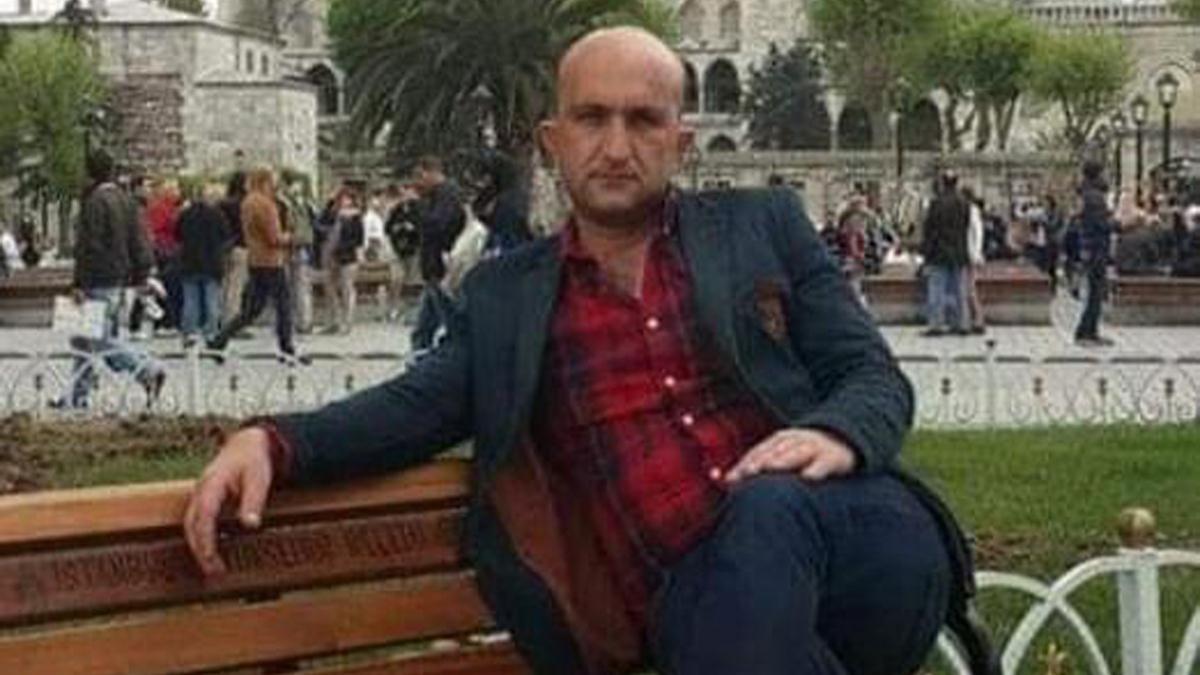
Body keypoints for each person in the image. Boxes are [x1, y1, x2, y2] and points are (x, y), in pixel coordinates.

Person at [183, 28, 985, 675]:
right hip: (698, 607)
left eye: (644, 121)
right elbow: (411, 407)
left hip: (851, 537)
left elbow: (872, 376)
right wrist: (272, 440)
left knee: (767, 506)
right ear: (553, 140)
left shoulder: (761, 226)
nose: (616, 145)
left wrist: (836, 433)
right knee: (733, 619)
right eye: (593, 118)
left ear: (681, 140)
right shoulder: (508, 299)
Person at [55, 150, 165, 409]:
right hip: (119, 279)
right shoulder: (126, 200)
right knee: (83, 340)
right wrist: (140, 275)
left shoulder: (94, 202)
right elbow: (139, 241)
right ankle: (76, 396)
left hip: (97, 279)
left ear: (89, 173)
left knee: (100, 340)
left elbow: (88, 247)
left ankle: (147, 370)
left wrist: (78, 283)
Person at [207, 168, 296, 358]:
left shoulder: (247, 202)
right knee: (283, 303)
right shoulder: (266, 204)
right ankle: (286, 345)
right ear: (265, 181)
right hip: (271, 260)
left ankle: (220, 339)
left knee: (252, 308)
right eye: (273, 181)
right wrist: (290, 237)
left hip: (255, 259)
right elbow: (274, 238)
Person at [408, 155, 466, 350]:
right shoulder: (435, 196)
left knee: (446, 319)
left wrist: (417, 206)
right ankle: (420, 352)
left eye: (420, 176)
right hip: (434, 266)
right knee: (425, 325)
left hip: (441, 265)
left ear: (432, 172)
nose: (417, 182)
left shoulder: (446, 196)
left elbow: (436, 225)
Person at [177, 183, 232, 347]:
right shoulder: (217, 215)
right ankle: (211, 333)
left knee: (190, 301)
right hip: (211, 263)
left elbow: (178, 235)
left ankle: (189, 333)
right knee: (211, 301)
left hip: (189, 262)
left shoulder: (185, 214)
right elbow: (226, 235)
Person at [920, 171, 971, 336]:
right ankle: (961, 323)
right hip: (959, 251)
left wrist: (926, 251)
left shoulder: (936, 203)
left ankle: (936, 324)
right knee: (959, 289)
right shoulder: (964, 203)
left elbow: (929, 229)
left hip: (939, 251)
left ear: (943, 183)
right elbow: (966, 227)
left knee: (937, 289)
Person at [1074, 160, 1116, 347]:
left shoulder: (1087, 194)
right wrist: (1120, 223)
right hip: (1096, 248)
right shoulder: (1095, 197)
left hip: (1090, 247)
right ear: (1097, 174)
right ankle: (1086, 332)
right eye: (1104, 172)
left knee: (1095, 291)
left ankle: (1089, 331)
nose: (1106, 175)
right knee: (1096, 292)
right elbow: (1101, 224)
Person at [315, 187, 366, 335]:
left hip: (347, 256)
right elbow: (318, 224)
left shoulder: (356, 217)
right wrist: (329, 203)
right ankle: (334, 321)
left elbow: (358, 239)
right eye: (341, 198)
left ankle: (347, 322)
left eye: (347, 198)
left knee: (346, 288)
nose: (344, 201)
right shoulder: (332, 214)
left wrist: (346, 248)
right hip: (330, 256)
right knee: (329, 289)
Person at [220, 171, 250, 330]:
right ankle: (232, 320)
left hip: (225, 247)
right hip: (242, 246)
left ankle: (222, 316)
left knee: (225, 285)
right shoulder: (244, 204)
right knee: (236, 287)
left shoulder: (222, 204)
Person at [961, 186, 987, 334]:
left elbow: (977, 233)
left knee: (969, 289)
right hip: (969, 254)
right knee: (968, 289)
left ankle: (977, 319)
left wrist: (976, 254)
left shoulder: (972, 211)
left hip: (970, 255)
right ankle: (973, 320)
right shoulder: (971, 210)